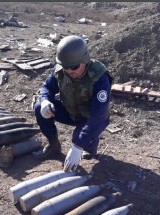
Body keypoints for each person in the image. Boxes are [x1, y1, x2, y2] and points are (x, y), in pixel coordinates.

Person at [33, 35, 113, 172]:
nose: (69, 71)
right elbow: (47, 87)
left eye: (74, 67)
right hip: (71, 111)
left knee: (78, 138)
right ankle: (53, 146)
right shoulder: (61, 70)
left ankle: (90, 146)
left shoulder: (99, 78)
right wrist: (45, 100)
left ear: (85, 61)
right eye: (66, 67)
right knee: (39, 107)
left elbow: (97, 116)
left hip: (92, 117)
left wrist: (77, 147)